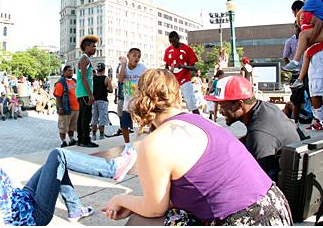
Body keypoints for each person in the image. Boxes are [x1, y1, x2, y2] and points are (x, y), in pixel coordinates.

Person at [101, 69, 292, 226]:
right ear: (177, 98)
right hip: (275, 209)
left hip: (243, 220)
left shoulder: (153, 144)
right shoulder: (203, 121)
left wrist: (120, 199)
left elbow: (154, 208)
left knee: (139, 222)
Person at [0, 113, 138, 226]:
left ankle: (74, 208)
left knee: (56, 163)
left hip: (22, 200)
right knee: (58, 155)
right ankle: (113, 168)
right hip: (34, 214)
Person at [206, 76, 302, 181]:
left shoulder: (259, 135)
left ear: (239, 104)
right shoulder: (266, 108)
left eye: (222, 106)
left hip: (279, 181)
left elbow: (258, 181)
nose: (220, 111)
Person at [283, 17, 312, 129]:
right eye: (296, 26)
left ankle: (315, 116)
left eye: (299, 26)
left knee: (311, 94)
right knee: (296, 98)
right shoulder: (290, 41)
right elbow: (285, 57)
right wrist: (291, 69)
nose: (297, 28)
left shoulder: (309, 39)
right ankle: (296, 122)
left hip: (308, 72)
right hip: (297, 74)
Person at [118, 48, 147, 156]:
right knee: (123, 124)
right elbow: (120, 80)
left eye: (139, 56)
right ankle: (127, 146)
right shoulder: (123, 67)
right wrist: (124, 64)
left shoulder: (142, 68)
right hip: (128, 101)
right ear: (128, 56)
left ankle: (150, 143)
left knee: (150, 121)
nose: (137, 58)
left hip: (139, 99)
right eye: (134, 55)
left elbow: (150, 75)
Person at [164, 31, 200, 114]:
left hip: (185, 80)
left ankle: (198, 122)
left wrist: (184, 66)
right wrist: (166, 74)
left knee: (192, 104)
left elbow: (194, 67)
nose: (172, 44)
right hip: (173, 81)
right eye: (171, 42)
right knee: (172, 105)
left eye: (174, 41)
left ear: (178, 39)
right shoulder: (168, 50)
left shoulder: (187, 49)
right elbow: (166, 66)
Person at [76, 35, 99, 147]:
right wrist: (90, 94)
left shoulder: (85, 58)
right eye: (93, 46)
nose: (95, 49)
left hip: (82, 92)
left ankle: (80, 139)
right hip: (84, 92)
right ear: (86, 47)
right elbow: (84, 77)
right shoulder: (84, 58)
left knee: (82, 115)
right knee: (86, 117)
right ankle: (85, 140)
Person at [53, 65, 79, 148]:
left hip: (76, 108)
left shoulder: (75, 81)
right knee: (63, 126)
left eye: (72, 70)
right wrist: (60, 108)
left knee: (72, 126)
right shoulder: (61, 83)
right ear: (64, 72)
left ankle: (71, 139)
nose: (71, 72)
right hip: (66, 108)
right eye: (69, 70)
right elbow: (58, 96)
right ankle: (63, 141)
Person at [91, 62, 113, 141]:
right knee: (102, 119)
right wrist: (105, 89)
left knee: (94, 119)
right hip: (102, 100)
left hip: (94, 100)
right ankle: (101, 135)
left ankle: (93, 135)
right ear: (104, 69)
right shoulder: (106, 78)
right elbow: (111, 90)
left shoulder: (93, 78)